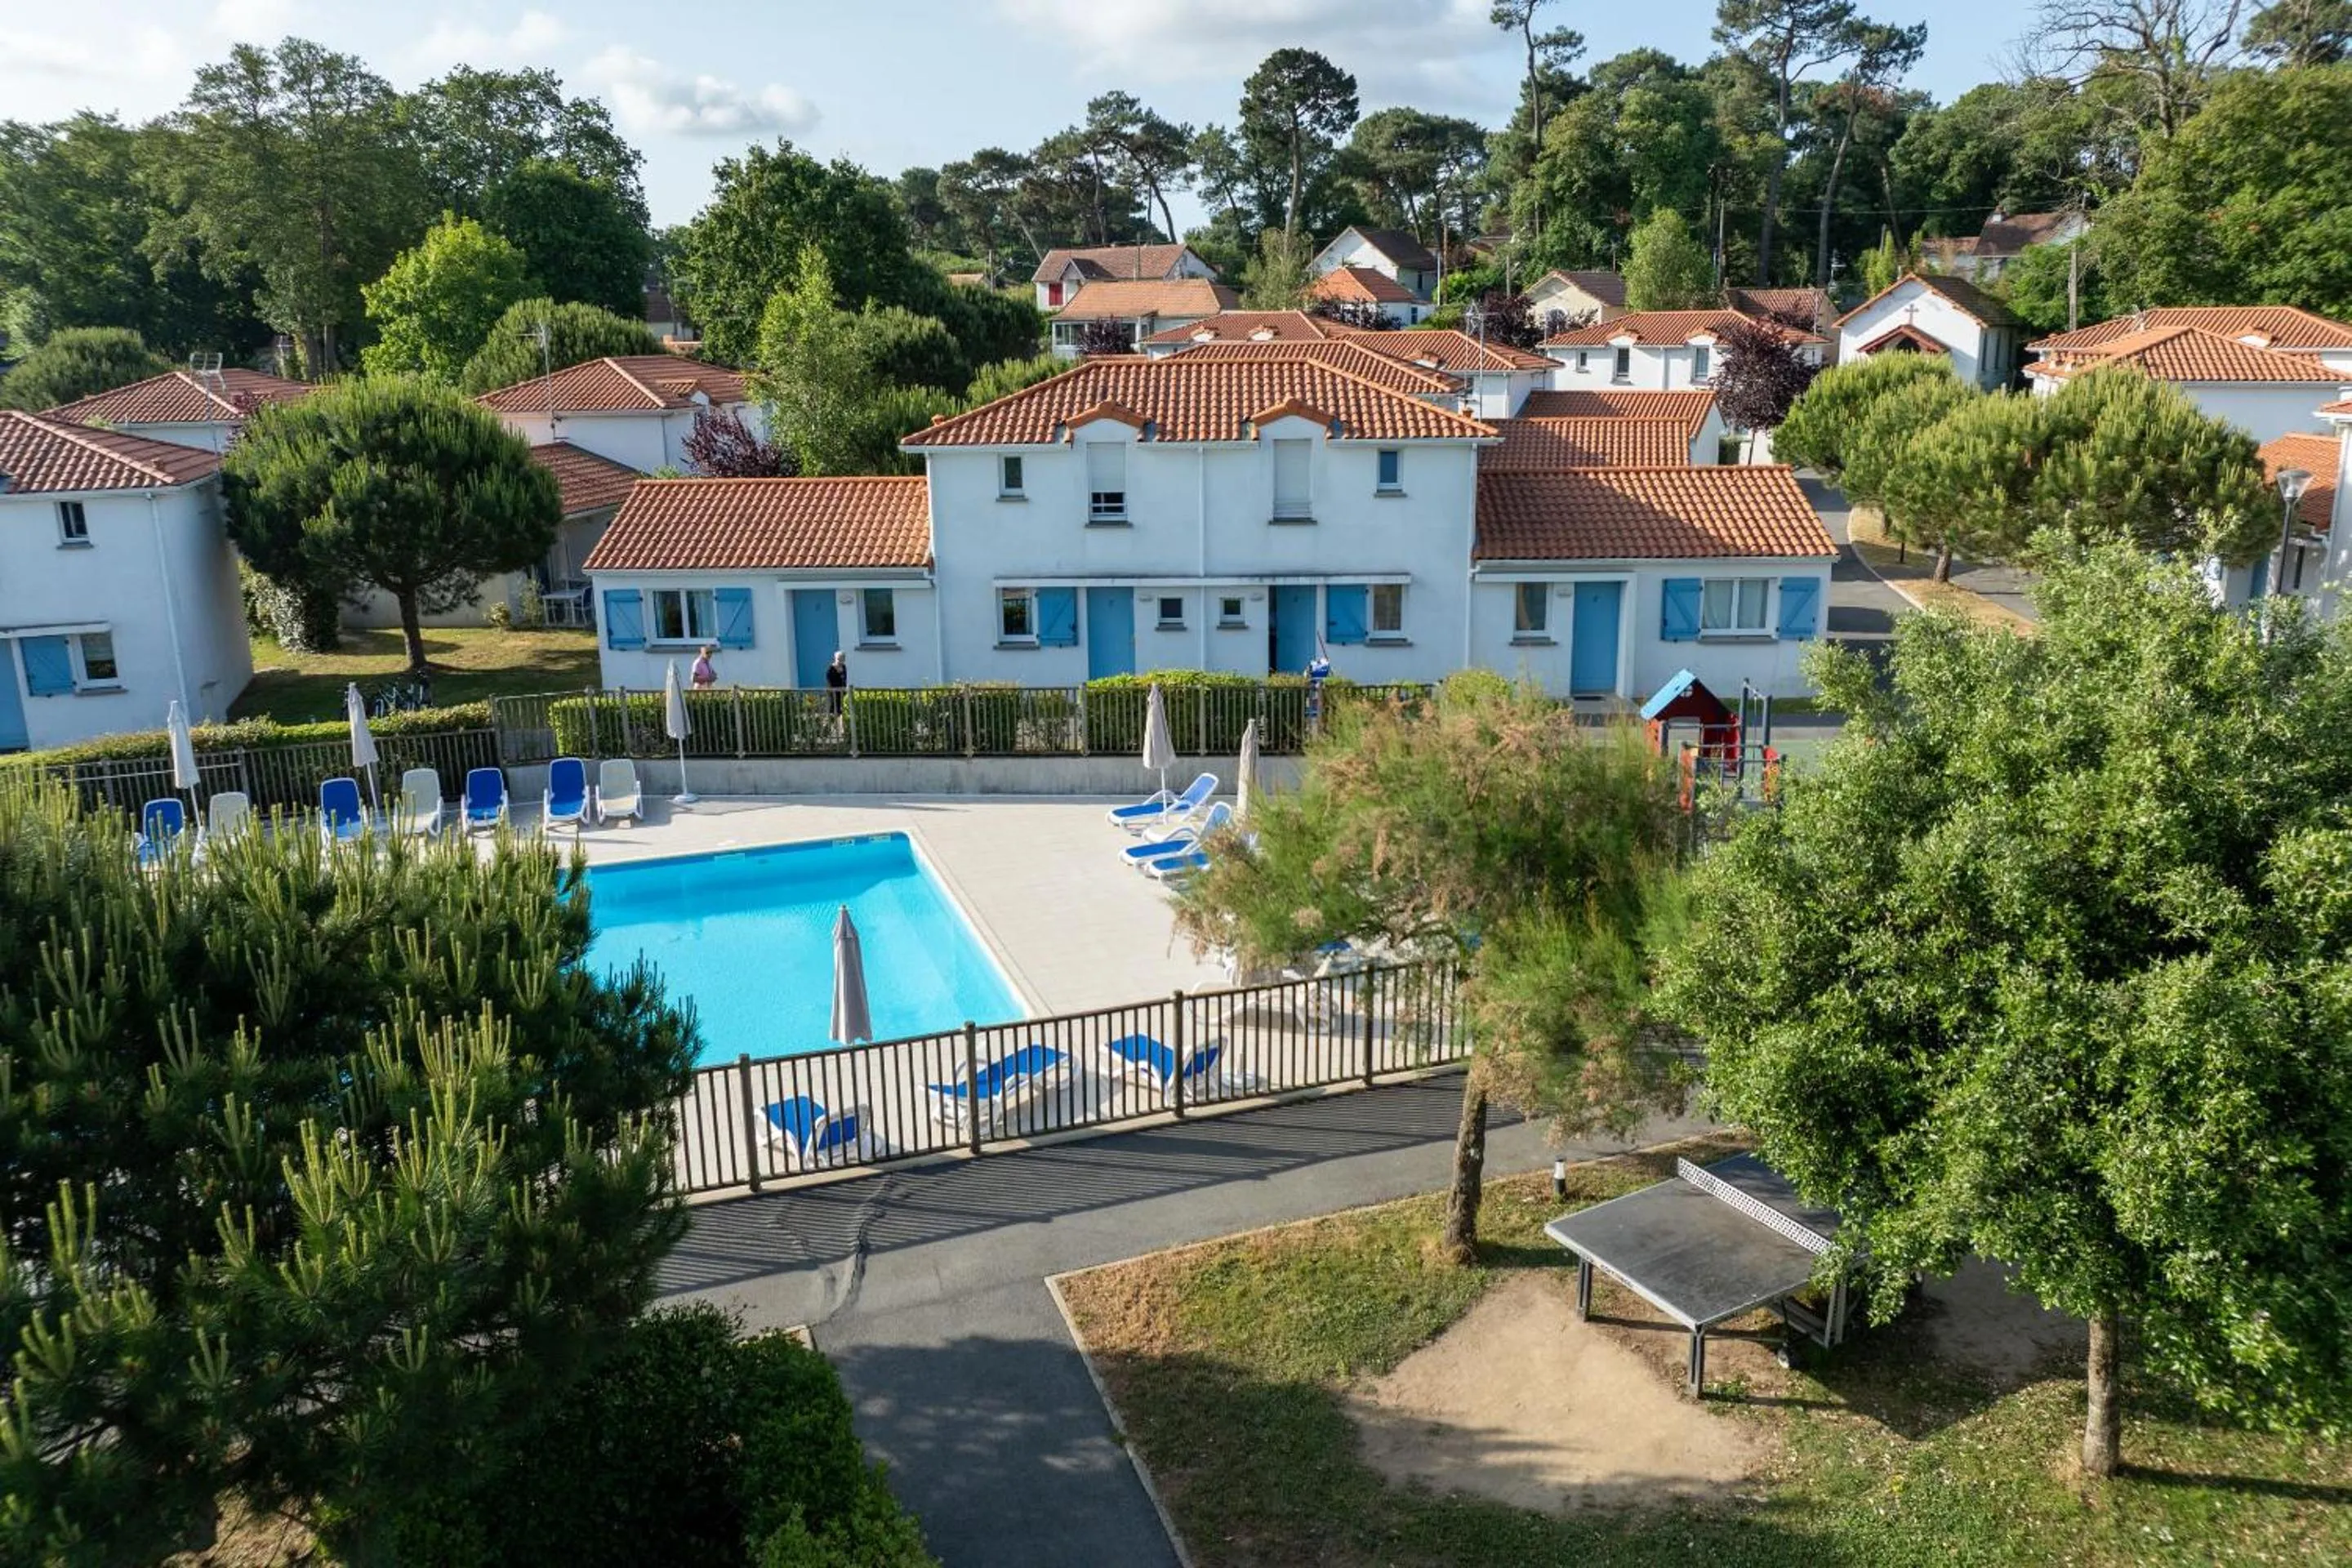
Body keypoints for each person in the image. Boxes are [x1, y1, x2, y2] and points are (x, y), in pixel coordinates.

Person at [825, 650, 849, 715]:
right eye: (839, 659)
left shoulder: (844, 667)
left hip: (842, 692)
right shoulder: (831, 669)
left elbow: (844, 679)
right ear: (835, 659)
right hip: (833, 693)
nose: (840, 661)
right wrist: (834, 690)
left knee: (842, 710)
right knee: (834, 710)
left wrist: (844, 689)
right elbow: (829, 682)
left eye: (842, 659)